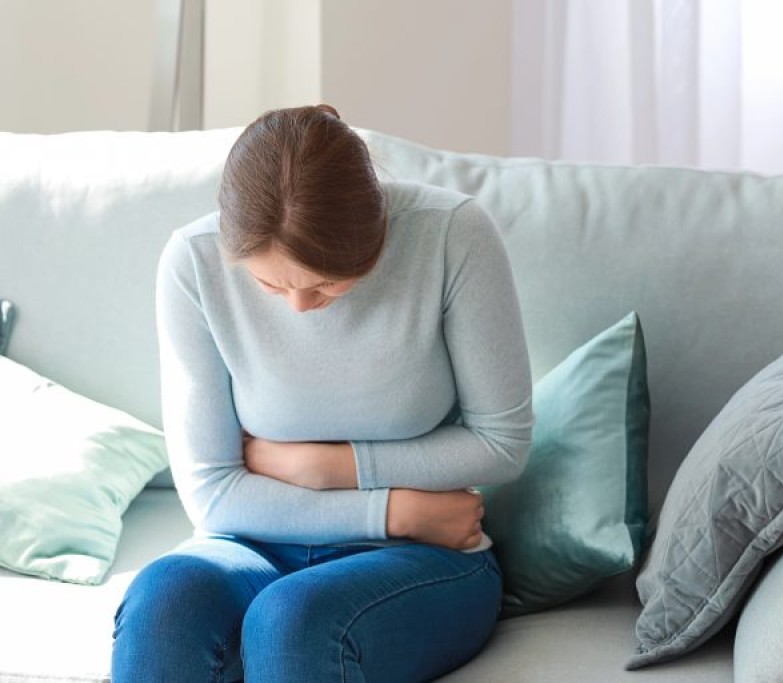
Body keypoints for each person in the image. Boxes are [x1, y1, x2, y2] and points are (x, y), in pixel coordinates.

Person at [111, 105, 534, 682]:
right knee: (164, 603)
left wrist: (322, 467)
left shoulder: (451, 235)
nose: (300, 305)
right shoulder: (193, 262)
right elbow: (212, 493)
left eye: (328, 283)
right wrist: (394, 511)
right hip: (270, 542)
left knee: (291, 621)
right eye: (270, 284)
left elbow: (502, 443)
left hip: (424, 557)